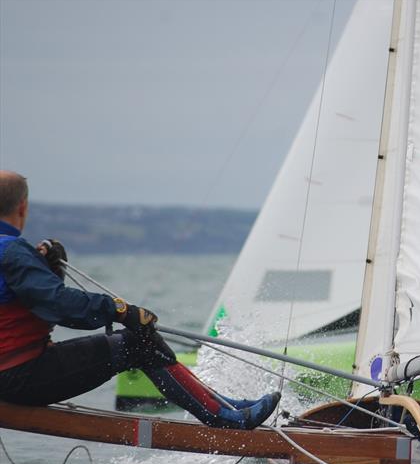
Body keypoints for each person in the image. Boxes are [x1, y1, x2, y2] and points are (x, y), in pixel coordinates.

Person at [0, 170, 279, 429]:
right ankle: (222, 416)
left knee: (136, 343)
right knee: (138, 343)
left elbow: (38, 303)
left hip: (15, 374)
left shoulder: (12, 253)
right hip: (20, 376)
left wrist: (51, 268)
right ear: (23, 206)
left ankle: (223, 405)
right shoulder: (11, 251)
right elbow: (58, 304)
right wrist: (120, 310)